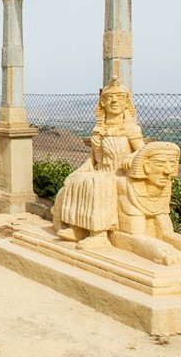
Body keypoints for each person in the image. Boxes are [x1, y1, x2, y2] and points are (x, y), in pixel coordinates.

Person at [51, 77, 144, 248]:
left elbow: (143, 151)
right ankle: (77, 228)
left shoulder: (131, 129)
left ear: (126, 103)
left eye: (119, 97)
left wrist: (133, 156)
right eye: (109, 97)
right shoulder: (99, 129)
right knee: (76, 180)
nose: (114, 101)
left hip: (120, 174)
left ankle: (98, 234)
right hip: (101, 171)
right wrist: (80, 171)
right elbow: (92, 159)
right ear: (102, 102)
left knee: (98, 183)